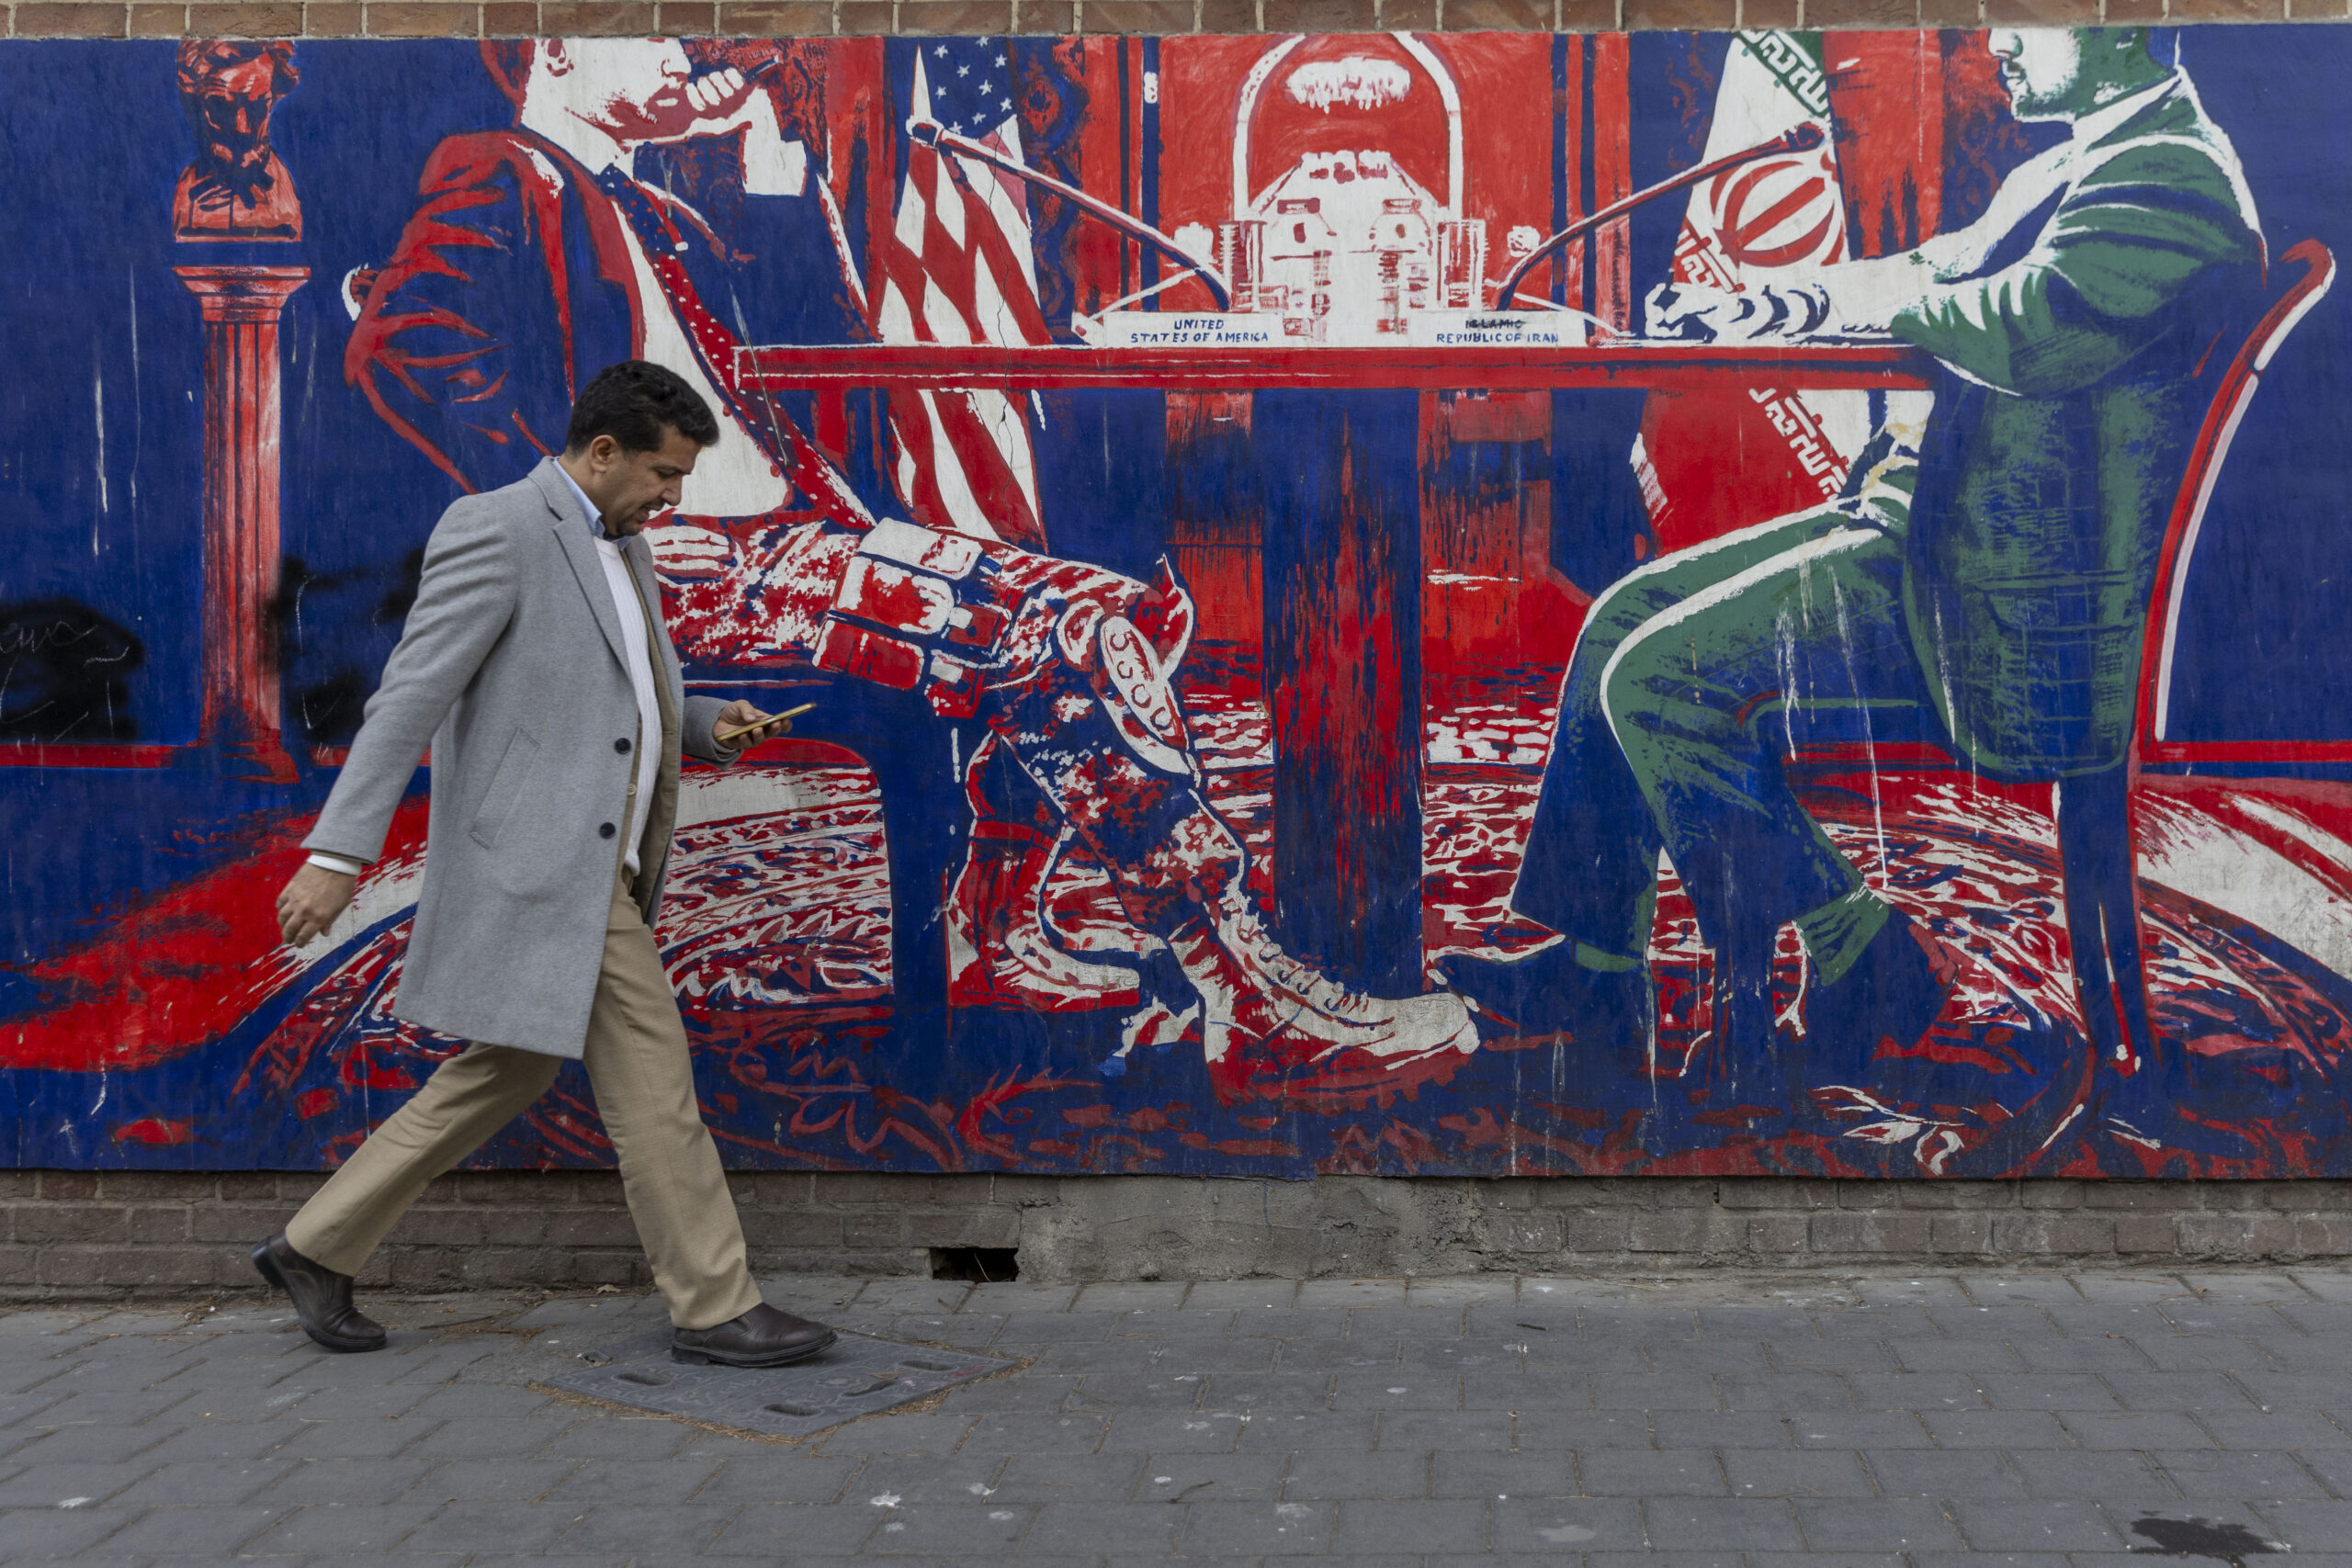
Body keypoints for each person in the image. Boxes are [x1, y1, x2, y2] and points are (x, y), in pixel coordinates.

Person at [345, 36, 1476, 1099]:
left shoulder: (657, 206)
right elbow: (401, 345)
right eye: (654, 35)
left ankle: (993, 920)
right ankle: (1246, 994)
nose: (689, 50)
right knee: (1050, 638)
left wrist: (772, 152)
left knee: (1125, 614)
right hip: (695, 574)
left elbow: (804, 339)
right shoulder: (502, 170)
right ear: (555, 54)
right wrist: (592, 524)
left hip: (793, 540)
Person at [1440, 28, 2265, 1107]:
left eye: (2026, 18)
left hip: (1997, 602)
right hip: (1931, 529)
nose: (1995, 43)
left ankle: (1861, 948)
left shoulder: (2171, 175)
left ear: (2116, 21)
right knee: (1619, 621)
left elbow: (2028, 330)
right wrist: (1775, 306)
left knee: (1655, 678)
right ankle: (1598, 974)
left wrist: (1890, 305)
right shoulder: (2077, 160)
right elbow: (1933, 270)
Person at [257, 362, 831, 1363]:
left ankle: (315, 1246)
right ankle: (714, 1305)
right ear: (602, 451)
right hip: (550, 865)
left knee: (507, 1070)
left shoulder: (625, 545)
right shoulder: (497, 529)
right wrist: (338, 854)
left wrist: (706, 725)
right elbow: (409, 698)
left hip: (605, 864)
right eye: (664, 472)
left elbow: (616, 697)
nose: (673, 495)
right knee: (656, 1085)